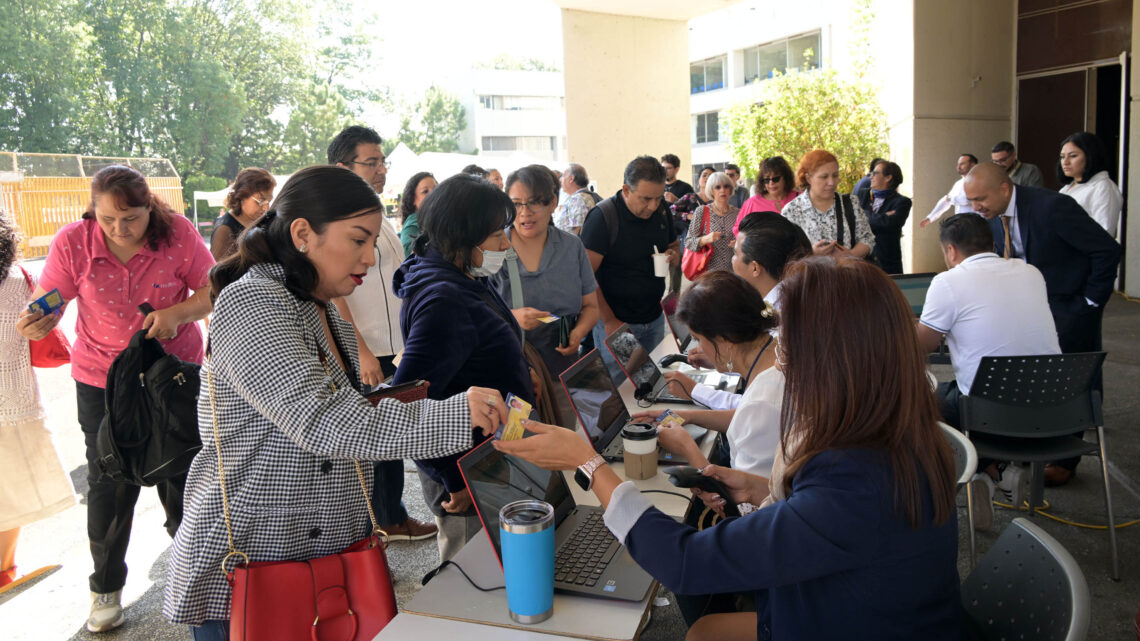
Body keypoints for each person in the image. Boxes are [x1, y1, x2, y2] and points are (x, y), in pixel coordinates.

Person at [497, 256, 962, 641]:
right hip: (860, 609)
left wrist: (588, 461)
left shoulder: (854, 479)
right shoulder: (896, 433)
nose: (783, 358)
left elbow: (687, 563)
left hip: (840, 620)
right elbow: (827, 523)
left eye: (791, 342)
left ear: (833, 359)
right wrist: (762, 490)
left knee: (700, 623)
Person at [162, 166, 508, 638]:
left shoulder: (318, 307)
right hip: (255, 561)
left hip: (324, 557)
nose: (369, 257)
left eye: (374, 242)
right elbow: (325, 422)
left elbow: (346, 411)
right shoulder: (253, 303)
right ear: (303, 233)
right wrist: (455, 413)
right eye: (358, 240)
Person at [17, 165, 215, 633]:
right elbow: (51, 298)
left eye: (130, 219)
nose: (119, 230)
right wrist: (38, 319)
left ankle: (197, 572)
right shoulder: (74, 242)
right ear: (93, 211)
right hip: (101, 379)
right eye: (107, 219)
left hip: (172, 373)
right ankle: (105, 587)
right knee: (109, 479)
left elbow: (214, 290)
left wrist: (177, 313)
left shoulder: (178, 234)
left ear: (150, 209)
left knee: (184, 472)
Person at [392, 174, 535, 562]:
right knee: (472, 574)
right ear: (461, 236)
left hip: (490, 457)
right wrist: (454, 478)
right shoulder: (445, 300)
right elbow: (407, 402)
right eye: (496, 235)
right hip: (467, 470)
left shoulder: (463, 272)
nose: (506, 245)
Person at [964, 162, 1121, 487]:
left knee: (1071, 379)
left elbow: (1106, 250)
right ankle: (1028, 445)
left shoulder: (1053, 207)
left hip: (1069, 307)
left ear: (1004, 188)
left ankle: (1065, 460)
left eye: (980, 199)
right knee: (1029, 375)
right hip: (1026, 308)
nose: (976, 207)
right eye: (972, 201)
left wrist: (1090, 302)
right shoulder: (993, 217)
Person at [327, 126, 439, 543]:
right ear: (344, 167)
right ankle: (377, 527)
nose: (381, 170)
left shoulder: (375, 212)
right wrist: (361, 352)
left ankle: (391, 517)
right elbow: (336, 295)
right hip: (368, 350)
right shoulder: (336, 221)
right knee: (373, 443)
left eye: (382, 161)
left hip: (394, 347)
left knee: (389, 436)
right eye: (370, 162)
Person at [914, 213, 1060, 529]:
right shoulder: (1030, 272)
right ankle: (997, 470)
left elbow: (920, 346)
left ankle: (980, 471)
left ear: (950, 250)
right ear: (992, 244)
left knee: (920, 404)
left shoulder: (948, 282)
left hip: (989, 413)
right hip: (1055, 411)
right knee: (959, 392)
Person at [666, 212, 810, 411]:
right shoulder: (788, 298)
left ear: (755, 268)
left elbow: (760, 406)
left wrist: (695, 390)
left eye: (735, 254)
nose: (732, 261)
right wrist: (725, 360)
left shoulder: (784, 318)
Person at [0, 211, 74, 593]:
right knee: (11, 492)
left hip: (12, 402)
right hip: (13, 401)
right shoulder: (21, 279)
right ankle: (4, 570)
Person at [493, 165, 600, 427]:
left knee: (561, 438)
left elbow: (591, 306)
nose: (525, 213)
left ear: (552, 203)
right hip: (511, 375)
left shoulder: (571, 247)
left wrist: (577, 334)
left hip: (561, 371)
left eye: (534, 203)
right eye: (516, 204)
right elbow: (473, 316)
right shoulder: (494, 248)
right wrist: (512, 317)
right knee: (519, 443)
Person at [581, 156, 679, 381]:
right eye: (646, 199)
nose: (653, 206)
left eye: (658, 198)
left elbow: (673, 244)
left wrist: (673, 255)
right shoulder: (603, 217)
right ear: (626, 190)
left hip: (654, 317)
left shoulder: (662, 210)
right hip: (618, 321)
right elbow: (585, 276)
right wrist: (608, 321)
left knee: (651, 382)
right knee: (622, 386)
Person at [781, 149, 875, 258]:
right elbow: (784, 253)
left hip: (848, 269)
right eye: (824, 177)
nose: (831, 182)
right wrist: (811, 254)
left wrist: (849, 255)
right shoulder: (791, 211)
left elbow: (867, 238)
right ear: (808, 178)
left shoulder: (851, 203)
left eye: (835, 175)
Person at [1057, 131, 1123, 237]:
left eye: (1073, 156)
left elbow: (1104, 233)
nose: (1065, 162)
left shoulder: (1103, 187)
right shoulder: (1067, 188)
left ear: (1090, 156)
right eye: (1062, 157)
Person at [857, 160, 912, 274]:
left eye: (875, 173)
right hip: (861, 262)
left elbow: (889, 224)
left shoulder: (902, 202)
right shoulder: (862, 195)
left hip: (886, 265)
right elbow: (854, 219)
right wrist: (882, 216)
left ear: (888, 178)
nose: (870, 176)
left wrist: (863, 216)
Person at [210, 168, 275, 261]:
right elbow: (217, 268)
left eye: (269, 201)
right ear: (242, 195)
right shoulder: (224, 230)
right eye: (261, 201)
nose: (266, 208)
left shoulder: (261, 221)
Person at [684, 171, 738, 274]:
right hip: (707, 272)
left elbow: (745, 241)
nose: (722, 190)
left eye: (726, 186)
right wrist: (706, 239)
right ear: (711, 190)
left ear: (731, 189)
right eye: (717, 187)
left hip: (732, 272)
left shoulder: (738, 213)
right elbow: (688, 242)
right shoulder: (701, 211)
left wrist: (739, 244)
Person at [733, 156, 799, 233]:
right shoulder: (752, 203)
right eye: (767, 180)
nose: (771, 183)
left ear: (786, 178)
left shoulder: (799, 198)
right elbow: (738, 229)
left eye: (775, 179)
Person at [920, 153, 978, 228]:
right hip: (960, 225)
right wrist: (930, 218)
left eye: (962, 164)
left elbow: (967, 199)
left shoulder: (978, 181)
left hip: (975, 225)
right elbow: (945, 201)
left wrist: (951, 198)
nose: (958, 167)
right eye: (958, 164)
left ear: (973, 165)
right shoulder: (958, 184)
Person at [397, 172, 437, 257]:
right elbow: (411, 258)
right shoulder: (413, 224)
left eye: (436, 189)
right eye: (425, 191)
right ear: (412, 200)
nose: (433, 194)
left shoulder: (435, 219)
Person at [556, 163, 601, 235]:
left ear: (571, 179)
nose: (560, 180)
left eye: (563, 176)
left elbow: (578, 233)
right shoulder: (585, 196)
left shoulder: (577, 200)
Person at [671, 166, 714, 239]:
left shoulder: (717, 200)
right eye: (704, 175)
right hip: (692, 240)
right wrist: (687, 216)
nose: (707, 178)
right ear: (698, 180)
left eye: (710, 176)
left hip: (713, 238)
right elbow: (670, 211)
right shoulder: (690, 197)